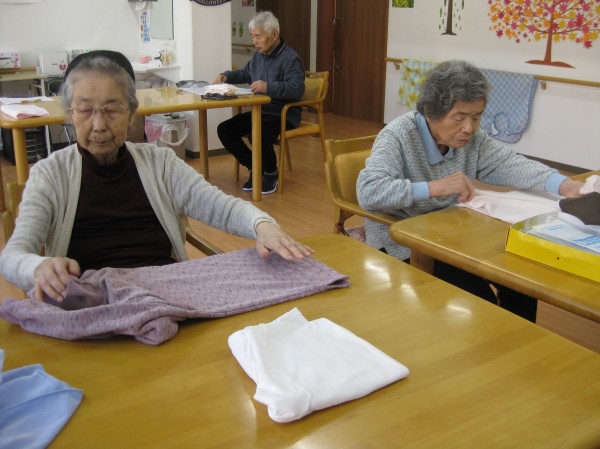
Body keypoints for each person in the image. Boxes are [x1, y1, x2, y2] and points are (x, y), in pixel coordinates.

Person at [0, 50, 313, 303]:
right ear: (69, 112)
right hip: (91, 301)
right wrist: (39, 267)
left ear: (131, 111)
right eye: (84, 109)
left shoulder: (160, 164)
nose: (98, 124)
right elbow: (12, 257)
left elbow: (221, 207)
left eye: (112, 109)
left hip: (167, 294)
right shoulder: (50, 175)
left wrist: (262, 225)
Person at [356, 60, 584, 321]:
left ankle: (515, 339)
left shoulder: (472, 139)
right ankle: (493, 339)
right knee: (478, 302)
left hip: (452, 234)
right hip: (406, 242)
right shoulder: (397, 136)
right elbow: (369, 191)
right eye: (460, 117)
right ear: (431, 112)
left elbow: (507, 163)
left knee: (522, 283)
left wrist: (563, 184)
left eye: (476, 117)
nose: (469, 128)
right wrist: (433, 188)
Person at [214, 10, 305, 194]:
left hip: (283, 113)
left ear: (274, 35)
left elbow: (297, 89)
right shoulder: (258, 56)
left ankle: (271, 173)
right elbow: (245, 73)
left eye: (258, 36)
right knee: (224, 130)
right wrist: (226, 76)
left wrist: (268, 87)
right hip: (260, 110)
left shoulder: (290, 58)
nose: (254, 41)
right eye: (252, 36)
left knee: (258, 132)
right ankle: (255, 167)